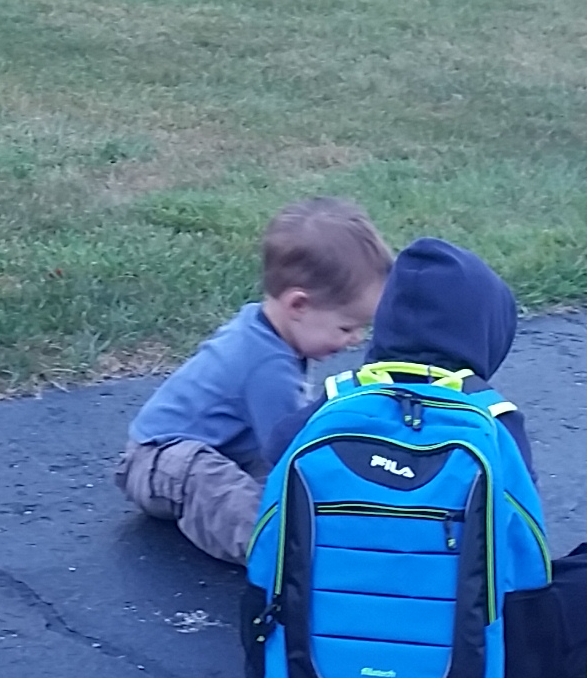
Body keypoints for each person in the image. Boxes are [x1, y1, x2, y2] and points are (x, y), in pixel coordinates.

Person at [364, 235, 587, 678]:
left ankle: (561, 666)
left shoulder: (327, 411)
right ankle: (568, 665)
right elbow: (524, 570)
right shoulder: (492, 421)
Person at [116, 197, 394, 562]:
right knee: (243, 501)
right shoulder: (268, 366)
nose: (356, 340)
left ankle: (302, 531)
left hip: (214, 452)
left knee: (268, 484)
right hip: (161, 462)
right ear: (298, 306)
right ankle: (281, 553)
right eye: (346, 327)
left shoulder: (265, 328)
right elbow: (291, 451)